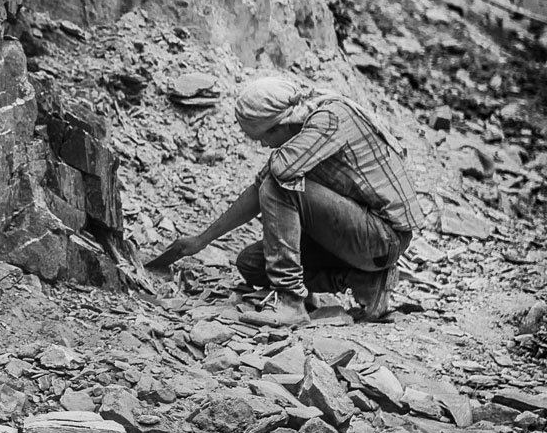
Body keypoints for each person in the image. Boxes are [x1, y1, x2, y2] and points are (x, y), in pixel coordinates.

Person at [153, 76, 425, 324]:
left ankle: (291, 302)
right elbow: (257, 189)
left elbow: (274, 179)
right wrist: (202, 240)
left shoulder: (329, 119)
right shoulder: (302, 134)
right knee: (251, 264)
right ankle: (365, 279)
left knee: (278, 186)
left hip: (383, 238)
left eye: (262, 138)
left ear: (280, 124)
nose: (263, 146)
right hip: (359, 235)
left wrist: (272, 175)